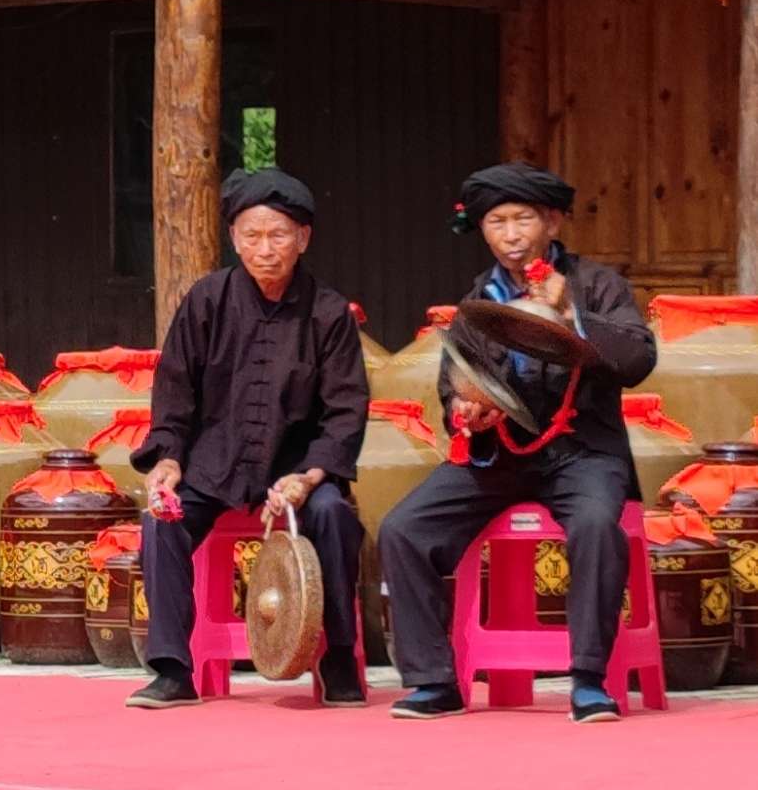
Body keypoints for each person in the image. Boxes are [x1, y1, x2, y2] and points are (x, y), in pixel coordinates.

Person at [377, 163, 658, 724]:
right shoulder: (477, 300)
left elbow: (638, 361)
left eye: (523, 219)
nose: (510, 234)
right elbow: (452, 383)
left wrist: (571, 314)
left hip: (583, 453)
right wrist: (464, 411)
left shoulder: (598, 284)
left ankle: (589, 680)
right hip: (500, 456)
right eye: (496, 222)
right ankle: (434, 682)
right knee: (403, 528)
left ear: (551, 222)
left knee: (597, 525)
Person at [126, 168, 370, 709]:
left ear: (303, 239)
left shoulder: (328, 313)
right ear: (234, 238)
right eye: (252, 235)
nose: (265, 249)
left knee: (333, 516)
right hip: (213, 468)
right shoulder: (206, 301)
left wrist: (309, 476)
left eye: (279, 235)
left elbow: (346, 411)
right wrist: (167, 459)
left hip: (297, 472)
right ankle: (172, 669)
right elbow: (175, 391)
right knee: (160, 522)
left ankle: (338, 659)